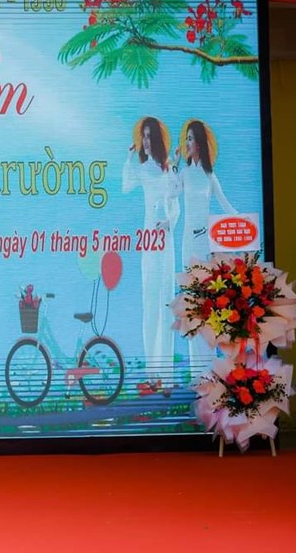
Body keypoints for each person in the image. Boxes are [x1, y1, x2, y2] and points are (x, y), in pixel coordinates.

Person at [176, 119, 237, 378]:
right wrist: (174, 165)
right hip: (188, 244)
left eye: (191, 138)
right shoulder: (184, 173)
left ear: (199, 143)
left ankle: (211, 371)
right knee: (192, 305)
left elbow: (226, 205)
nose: (187, 142)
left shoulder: (209, 175)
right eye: (186, 138)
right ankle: (196, 373)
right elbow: (171, 193)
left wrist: (246, 223)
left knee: (208, 306)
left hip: (204, 244)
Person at [122, 117, 179, 396]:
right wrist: (129, 158)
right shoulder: (143, 169)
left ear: (156, 138)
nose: (145, 141)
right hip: (149, 241)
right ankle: (152, 374)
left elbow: (175, 202)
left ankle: (166, 377)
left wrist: (170, 222)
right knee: (149, 304)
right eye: (143, 136)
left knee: (166, 303)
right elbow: (126, 185)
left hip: (165, 240)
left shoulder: (168, 169)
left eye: (149, 136)